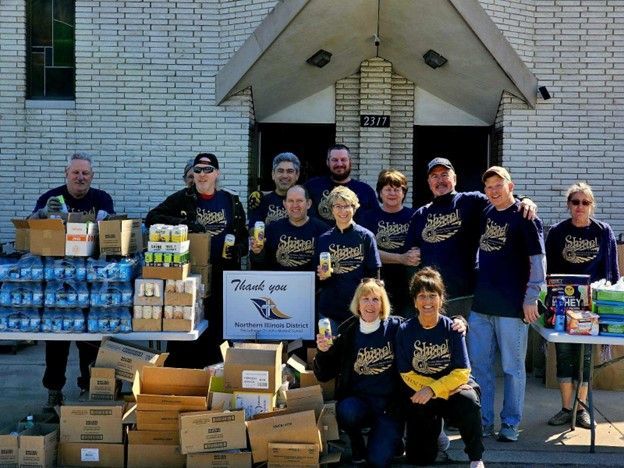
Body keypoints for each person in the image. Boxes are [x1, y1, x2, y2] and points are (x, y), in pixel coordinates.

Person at [145, 152, 248, 367]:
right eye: (198, 170)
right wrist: (185, 224)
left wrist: (238, 249)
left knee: (217, 332)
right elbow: (152, 218)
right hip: (189, 275)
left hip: (221, 278)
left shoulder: (231, 201)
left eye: (207, 170)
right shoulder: (182, 198)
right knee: (185, 329)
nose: (202, 175)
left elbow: (243, 241)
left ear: (216, 174)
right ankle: (182, 381)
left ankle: (213, 383)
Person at [30, 152, 115, 408]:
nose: (80, 177)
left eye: (85, 173)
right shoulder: (51, 197)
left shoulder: (101, 198)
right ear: (66, 174)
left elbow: (110, 233)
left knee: (89, 339)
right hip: (57, 279)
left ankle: (87, 386)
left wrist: (107, 222)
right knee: (57, 340)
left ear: (92, 176)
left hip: (90, 278)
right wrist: (43, 213)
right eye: (75, 172)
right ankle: (54, 390)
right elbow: (30, 225)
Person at [467, 166, 545, 442]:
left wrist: (532, 298)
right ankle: (484, 422)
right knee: (479, 368)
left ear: (511, 187)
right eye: (489, 187)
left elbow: (538, 261)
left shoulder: (525, 216)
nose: (493, 191)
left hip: (512, 308)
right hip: (481, 306)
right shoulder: (487, 212)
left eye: (499, 185)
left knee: (513, 368)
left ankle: (510, 424)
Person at [404, 157, 536, 318]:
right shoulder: (420, 214)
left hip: (465, 296)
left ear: (454, 178)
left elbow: (501, 199)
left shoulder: (471, 201)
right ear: (429, 182)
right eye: (434, 176)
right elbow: (411, 258)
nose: (440, 180)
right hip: (431, 299)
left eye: (444, 174)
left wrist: (523, 199)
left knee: (464, 342)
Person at [545, 182, 619, 429]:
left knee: (586, 358)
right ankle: (567, 409)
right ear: (568, 205)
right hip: (564, 307)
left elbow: (612, 271)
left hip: (591, 308)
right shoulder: (557, 232)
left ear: (591, 206)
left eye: (585, 202)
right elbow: (551, 272)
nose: (580, 207)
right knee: (565, 356)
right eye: (575, 202)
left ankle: (582, 409)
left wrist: (611, 300)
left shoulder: (603, 231)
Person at [395, 267, 484, 467]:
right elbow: (405, 372)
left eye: (432, 296)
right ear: (415, 301)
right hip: (423, 393)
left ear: (441, 299)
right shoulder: (405, 331)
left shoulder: (452, 328)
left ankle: (476, 458)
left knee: (469, 400)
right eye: (422, 296)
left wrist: (434, 389)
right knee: (419, 460)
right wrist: (431, 389)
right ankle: (437, 432)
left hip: (451, 390)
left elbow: (462, 371)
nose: (427, 302)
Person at [313, 278, 404, 467]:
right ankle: (356, 442)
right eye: (365, 299)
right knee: (346, 410)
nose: (370, 304)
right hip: (359, 402)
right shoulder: (348, 330)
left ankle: (389, 437)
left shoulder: (397, 328)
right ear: (357, 303)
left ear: (382, 304)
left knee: (378, 461)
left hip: (389, 405)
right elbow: (324, 374)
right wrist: (322, 352)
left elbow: (427, 325)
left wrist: (458, 321)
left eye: (375, 299)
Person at [315, 186, 381, 327]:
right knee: (329, 349)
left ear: (354, 208)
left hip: (358, 311)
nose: (343, 211)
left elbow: (374, 277)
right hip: (329, 310)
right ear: (331, 209)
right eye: (338, 206)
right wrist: (321, 276)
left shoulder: (366, 237)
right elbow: (318, 280)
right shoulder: (324, 239)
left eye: (347, 206)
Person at [359, 169, 419, 316]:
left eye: (397, 189)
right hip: (378, 283)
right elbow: (366, 251)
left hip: (408, 285)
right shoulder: (367, 218)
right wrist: (401, 258)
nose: (392, 193)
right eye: (388, 189)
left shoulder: (415, 216)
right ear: (380, 192)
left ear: (403, 193)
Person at [249, 185, 328, 271]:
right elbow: (260, 265)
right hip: (279, 283)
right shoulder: (272, 230)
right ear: (285, 204)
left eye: (299, 201)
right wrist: (257, 253)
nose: (295, 205)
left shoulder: (323, 231)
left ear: (308, 204)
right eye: (290, 201)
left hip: (311, 283)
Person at [306, 144, 377, 224]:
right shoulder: (312, 187)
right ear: (327, 162)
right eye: (335, 160)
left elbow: (375, 220)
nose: (339, 164)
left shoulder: (365, 191)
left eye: (343, 160)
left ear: (350, 162)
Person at [248, 152, 301, 227]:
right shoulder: (261, 201)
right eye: (280, 171)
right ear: (273, 174)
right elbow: (252, 229)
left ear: (297, 175)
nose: (285, 176)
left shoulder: (305, 201)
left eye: (290, 171)